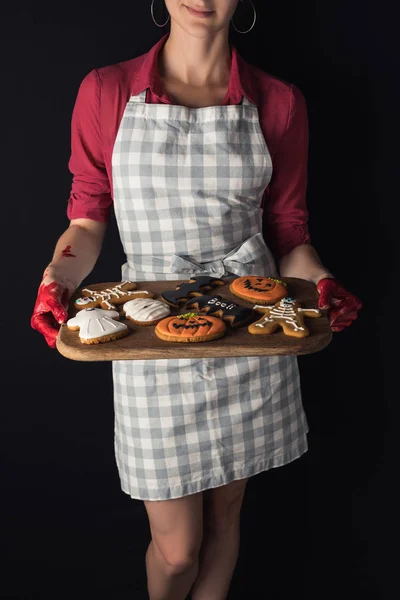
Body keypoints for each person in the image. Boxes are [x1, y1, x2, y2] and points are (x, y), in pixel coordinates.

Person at [30, 1, 362, 599]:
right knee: (178, 550)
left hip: (250, 332)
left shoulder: (279, 101)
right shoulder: (107, 91)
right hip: (151, 340)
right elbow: (85, 221)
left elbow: (290, 235)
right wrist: (57, 277)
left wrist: (322, 284)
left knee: (224, 522)